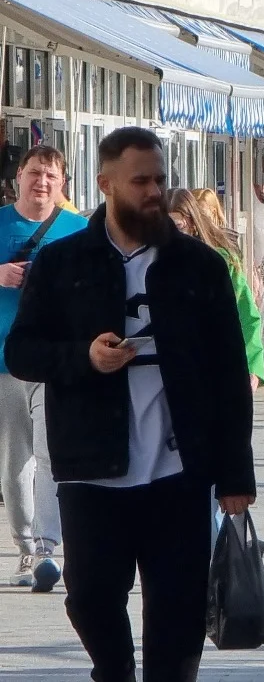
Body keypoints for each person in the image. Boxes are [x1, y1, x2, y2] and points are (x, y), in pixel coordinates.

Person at [6, 126, 254, 682]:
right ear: (104, 184)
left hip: (180, 473)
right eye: (140, 180)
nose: (153, 191)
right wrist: (84, 357)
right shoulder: (61, 263)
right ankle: (113, 671)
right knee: (90, 598)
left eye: (160, 179)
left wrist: (236, 475)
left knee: (178, 611)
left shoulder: (199, 266)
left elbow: (229, 377)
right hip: (92, 470)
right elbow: (21, 351)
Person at [0, 146, 88, 592]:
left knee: (53, 453)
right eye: (35, 173)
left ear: (63, 183)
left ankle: (49, 547)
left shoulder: (79, 229)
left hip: (58, 360)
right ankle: (24, 546)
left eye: (52, 175)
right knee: (16, 462)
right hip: (5, 360)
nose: (42, 182)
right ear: (19, 176)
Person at [166, 189, 264, 392]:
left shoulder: (220, 261)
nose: (171, 235)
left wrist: (252, 367)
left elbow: (246, 315)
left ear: (192, 224)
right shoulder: (147, 261)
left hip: (216, 368)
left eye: (178, 227)